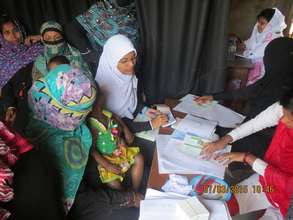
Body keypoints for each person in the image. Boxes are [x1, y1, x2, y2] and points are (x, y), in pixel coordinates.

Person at [195, 38, 293, 169]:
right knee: (212, 136)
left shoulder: (287, 95)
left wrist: (245, 156)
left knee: (215, 155)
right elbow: (254, 119)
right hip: (253, 130)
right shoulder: (274, 82)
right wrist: (213, 96)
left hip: (267, 147)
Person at [201, 89, 293, 219]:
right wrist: (224, 140)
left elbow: (288, 185)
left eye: (289, 121)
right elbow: (255, 124)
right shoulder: (287, 107)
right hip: (266, 185)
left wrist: (247, 158)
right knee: (219, 207)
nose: (282, 120)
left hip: (288, 204)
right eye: (283, 113)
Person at [25, 64, 97, 212]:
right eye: (84, 109)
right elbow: (83, 199)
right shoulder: (62, 148)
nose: (89, 111)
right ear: (68, 113)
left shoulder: (34, 112)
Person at [95, 34, 168, 133]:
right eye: (124, 61)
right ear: (111, 62)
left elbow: (131, 103)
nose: (132, 64)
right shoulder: (100, 91)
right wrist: (150, 124)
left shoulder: (128, 76)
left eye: (133, 58)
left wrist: (143, 109)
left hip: (134, 121)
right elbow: (112, 126)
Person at [88, 94, 144, 197]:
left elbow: (117, 118)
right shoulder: (93, 125)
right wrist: (108, 165)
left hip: (119, 150)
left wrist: (126, 130)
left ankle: (135, 190)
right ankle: (125, 197)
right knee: (113, 183)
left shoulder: (105, 113)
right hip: (107, 159)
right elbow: (92, 150)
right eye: (98, 106)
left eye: (102, 104)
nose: (101, 108)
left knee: (139, 158)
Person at [0, 15, 43, 133]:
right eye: (7, 33)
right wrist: (10, 106)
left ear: (21, 29)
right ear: (1, 37)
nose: (13, 36)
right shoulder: (2, 60)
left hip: (45, 96)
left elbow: (57, 42)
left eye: (16, 30)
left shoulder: (37, 48)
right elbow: (5, 86)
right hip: (22, 102)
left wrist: (40, 37)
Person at [238, 8, 286, 85]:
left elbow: (253, 54)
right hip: (257, 68)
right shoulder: (263, 33)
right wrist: (244, 44)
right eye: (258, 22)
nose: (258, 25)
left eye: (262, 23)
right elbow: (252, 42)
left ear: (271, 25)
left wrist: (244, 52)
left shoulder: (274, 37)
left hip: (265, 74)